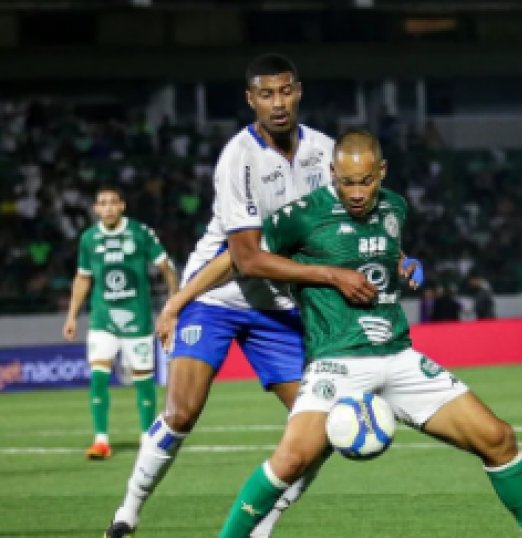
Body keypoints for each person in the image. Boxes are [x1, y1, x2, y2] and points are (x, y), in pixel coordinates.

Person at [216, 130, 522, 538]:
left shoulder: (396, 208)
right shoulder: (303, 214)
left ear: (382, 172)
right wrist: (184, 300)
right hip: (337, 362)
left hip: (399, 357)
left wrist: (404, 262)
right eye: (346, 182)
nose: (356, 192)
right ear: (331, 174)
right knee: (291, 460)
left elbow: (380, 249)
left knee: (498, 438)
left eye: (365, 181)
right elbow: (245, 259)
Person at [104, 53, 381, 538]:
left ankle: (262, 527)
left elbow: (355, 221)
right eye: (267, 94)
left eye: (286, 90)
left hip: (279, 308)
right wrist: (177, 301)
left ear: (299, 91)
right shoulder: (239, 157)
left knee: (319, 434)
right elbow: (247, 258)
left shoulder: (325, 151)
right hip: (218, 297)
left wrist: (395, 258)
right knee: (182, 412)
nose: (279, 103)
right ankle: (127, 513)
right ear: (251, 99)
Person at [63, 184, 178, 460]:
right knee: (98, 375)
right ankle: (101, 440)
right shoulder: (89, 239)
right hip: (103, 319)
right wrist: (71, 315)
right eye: (102, 203)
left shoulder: (139, 233)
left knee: (143, 378)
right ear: (96, 209)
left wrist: (173, 305)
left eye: (113, 202)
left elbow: (166, 268)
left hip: (137, 319)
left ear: (122, 205)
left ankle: (147, 437)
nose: (108, 208)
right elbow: (83, 278)